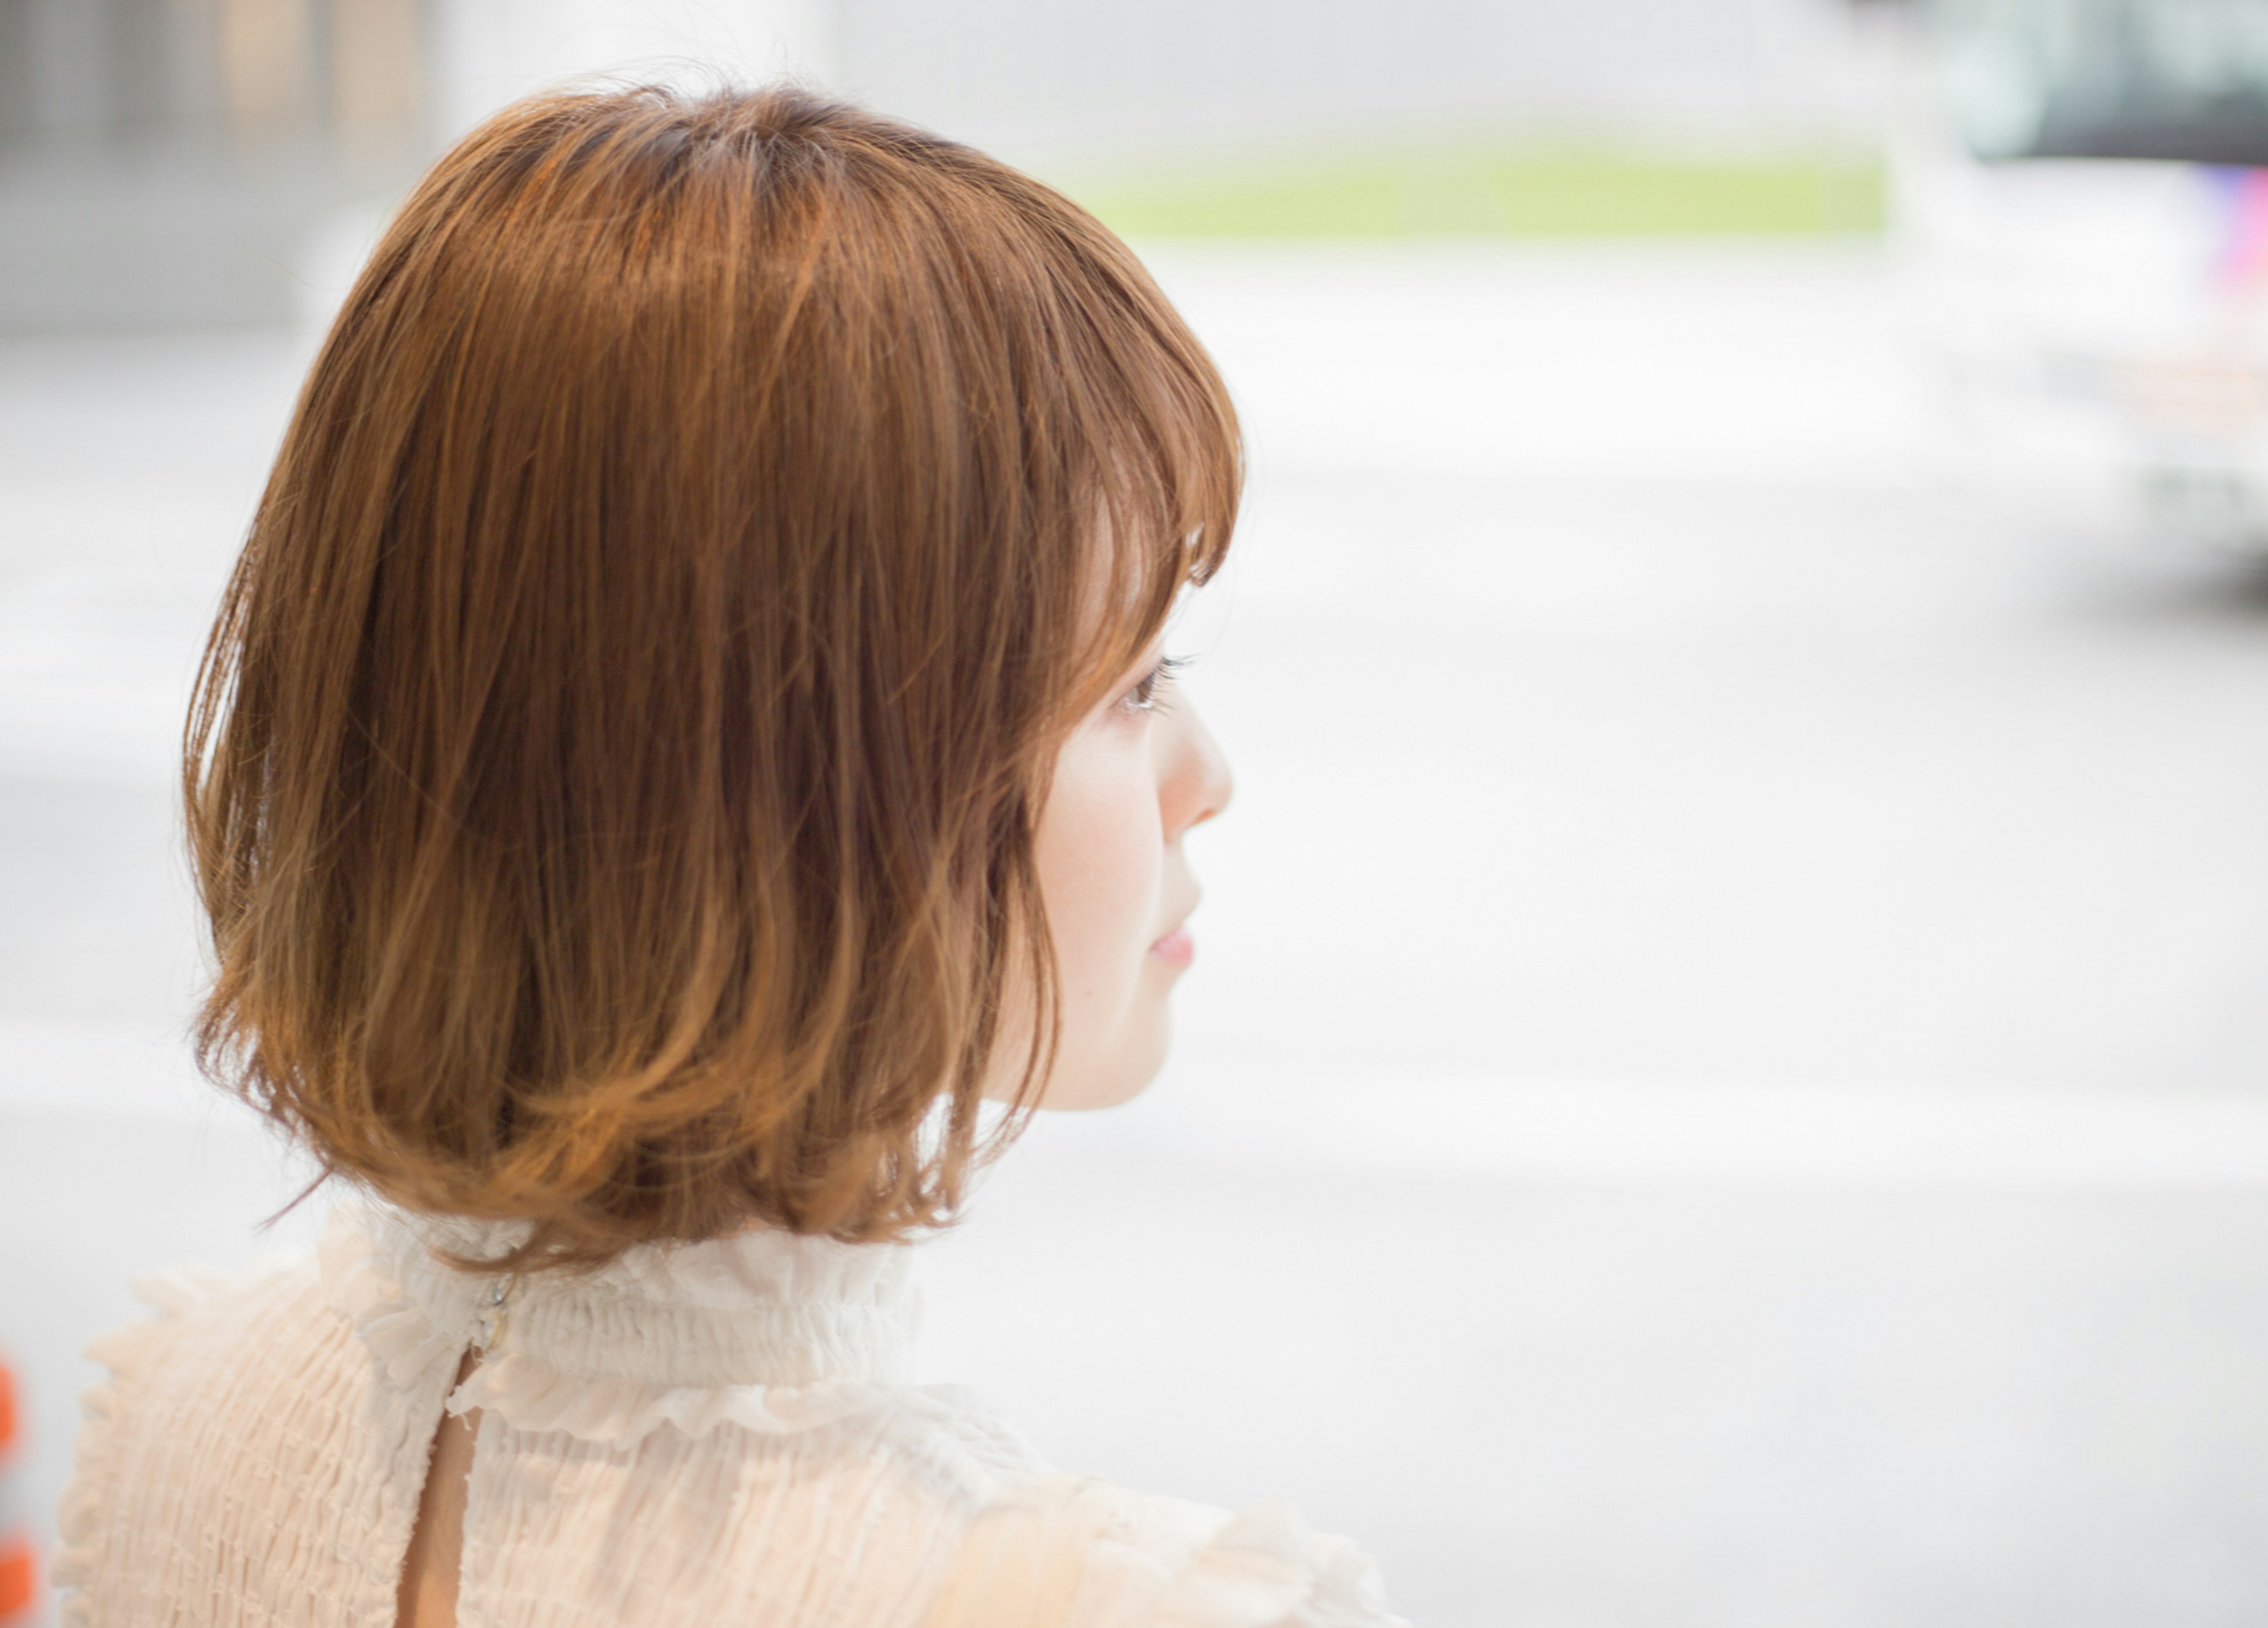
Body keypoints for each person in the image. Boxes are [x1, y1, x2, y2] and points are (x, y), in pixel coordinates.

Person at [53, 84, 1406, 1628]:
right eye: (1133, 686)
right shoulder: (1078, 1596)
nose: (1204, 779)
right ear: (818, 788)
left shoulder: (179, 1420)